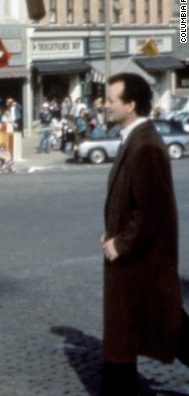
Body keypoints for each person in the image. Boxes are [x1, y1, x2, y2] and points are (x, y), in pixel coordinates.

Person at [99, 73, 189, 395]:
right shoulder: (136, 140)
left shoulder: (146, 145)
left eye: (111, 100)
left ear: (131, 104)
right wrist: (113, 234)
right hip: (136, 263)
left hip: (141, 263)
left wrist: (121, 244)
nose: (105, 105)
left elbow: (150, 211)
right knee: (139, 333)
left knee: (161, 328)